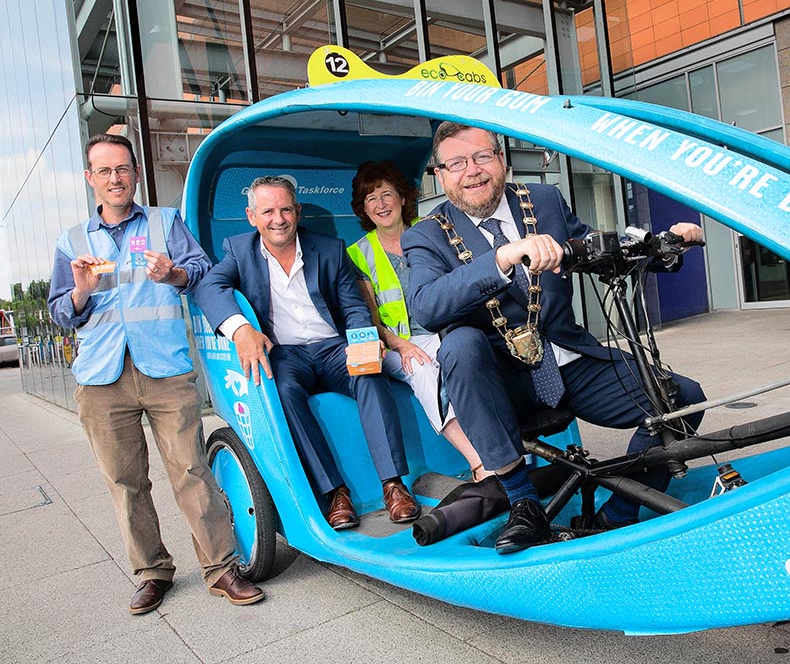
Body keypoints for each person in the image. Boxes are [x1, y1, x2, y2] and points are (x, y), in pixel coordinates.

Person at [402, 123, 707, 554]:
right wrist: (501, 258)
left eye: (483, 156)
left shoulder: (544, 200)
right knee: (459, 344)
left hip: (569, 361)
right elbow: (426, 306)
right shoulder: (426, 234)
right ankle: (523, 503)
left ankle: (618, 514)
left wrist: (667, 247)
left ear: (501, 160)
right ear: (440, 175)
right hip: (500, 382)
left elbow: (599, 250)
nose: (472, 170)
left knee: (683, 398)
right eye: (457, 163)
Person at [47, 133, 264, 614]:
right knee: (125, 482)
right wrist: (80, 291)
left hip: (164, 367)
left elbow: (202, 271)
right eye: (105, 171)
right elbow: (60, 312)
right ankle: (152, 572)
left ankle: (221, 568)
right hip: (101, 378)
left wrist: (174, 275)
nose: (115, 178)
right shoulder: (72, 241)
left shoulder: (166, 222)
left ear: (136, 173)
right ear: (90, 178)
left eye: (122, 168)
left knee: (191, 470)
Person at [193, 175, 421, 532]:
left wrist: (362, 341)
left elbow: (353, 306)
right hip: (286, 354)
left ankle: (394, 485)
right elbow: (209, 287)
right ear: (252, 216)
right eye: (268, 211)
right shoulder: (239, 250)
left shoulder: (329, 249)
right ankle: (335, 494)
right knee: (282, 390)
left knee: (370, 374)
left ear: (297, 211)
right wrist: (240, 329)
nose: (278, 219)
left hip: (332, 347)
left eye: (285, 210)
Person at [347, 161, 492, 482]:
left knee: (474, 357)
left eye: (387, 194)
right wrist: (401, 345)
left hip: (443, 329)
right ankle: (480, 464)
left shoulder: (431, 231)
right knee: (423, 369)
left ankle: (508, 448)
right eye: (371, 199)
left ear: (402, 197)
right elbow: (367, 319)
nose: (381, 204)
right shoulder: (357, 254)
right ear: (364, 209)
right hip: (394, 344)